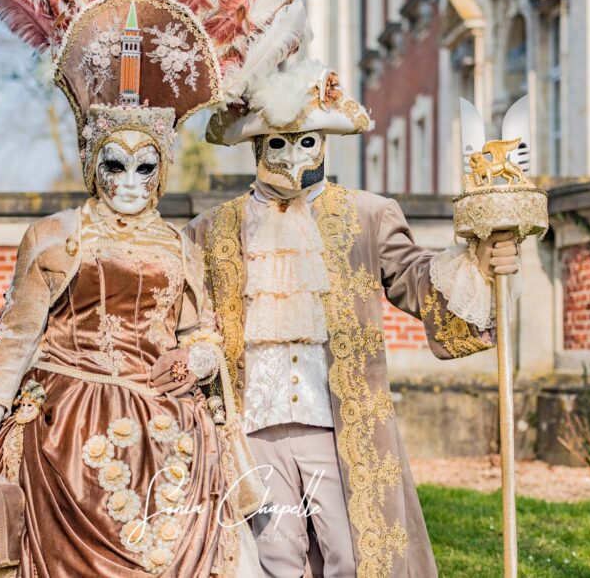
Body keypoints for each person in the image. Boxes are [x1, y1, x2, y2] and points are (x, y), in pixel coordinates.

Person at [0, 0, 308, 575]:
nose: (130, 180)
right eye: (115, 163)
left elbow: (198, 331)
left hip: (165, 432)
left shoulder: (178, 245)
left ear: (163, 170)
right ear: (92, 163)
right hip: (63, 434)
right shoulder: (54, 235)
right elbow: (15, 336)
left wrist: (196, 361)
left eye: (146, 166)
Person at [187, 59, 521, 578]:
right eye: (278, 141)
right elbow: (182, 316)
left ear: (326, 142)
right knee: (273, 556)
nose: (293, 154)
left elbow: (416, 279)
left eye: (307, 140)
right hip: (251, 426)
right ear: (257, 146)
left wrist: (479, 263)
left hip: (338, 422)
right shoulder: (210, 230)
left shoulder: (367, 214)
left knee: (354, 554)